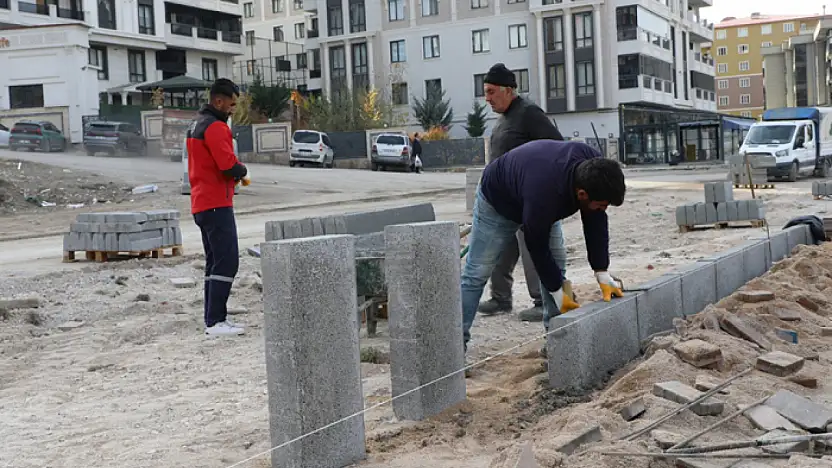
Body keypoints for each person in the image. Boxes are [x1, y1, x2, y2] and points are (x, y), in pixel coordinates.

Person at [461, 139, 626, 351]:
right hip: (499, 201)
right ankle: (455, 351)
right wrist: (558, 291)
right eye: (602, 205)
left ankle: (557, 342)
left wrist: (601, 270)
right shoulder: (545, 194)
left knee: (557, 263)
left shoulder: (593, 167)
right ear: (582, 194)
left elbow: (595, 221)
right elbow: (536, 245)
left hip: (534, 191)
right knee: (477, 273)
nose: (604, 209)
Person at [478, 62, 566, 323]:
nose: (487, 98)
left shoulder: (529, 113)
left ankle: (543, 302)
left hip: (530, 200)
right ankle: (501, 298)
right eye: (486, 92)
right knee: (501, 248)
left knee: (534, 248)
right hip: (505, 201)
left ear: (509, 90)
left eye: (492, 92)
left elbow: (557, 147)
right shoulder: (504, 118)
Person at [187, 78, 249, 336]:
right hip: (216, 203)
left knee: (214, 263)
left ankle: (213, 318)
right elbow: (227, 164)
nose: (233, 109)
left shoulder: (196, 125)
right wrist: (242, 171)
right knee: (227, 261)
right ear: (219, 101)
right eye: (231, 104)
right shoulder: (215, 127)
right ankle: (216, 321)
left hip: (201, 203)